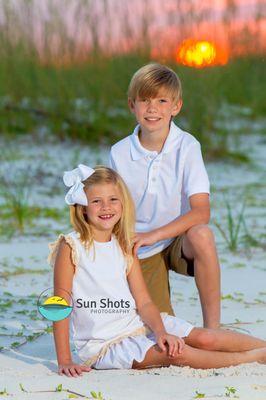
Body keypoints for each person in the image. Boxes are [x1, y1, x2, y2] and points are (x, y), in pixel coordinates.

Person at [49, 164, 266, 377]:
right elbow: (61, 305)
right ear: (83, 207)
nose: (106, 207)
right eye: (96, 201)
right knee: (177, 353)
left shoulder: (125, 245)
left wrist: (161, 332)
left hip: (137, 324)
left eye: (113, 199)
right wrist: (65, 359)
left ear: (123, 203)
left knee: (205, 338)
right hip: (105, 345)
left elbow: (143, 301)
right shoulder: (71, 247)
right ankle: (253, 357)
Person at [109, 63, 220, 329]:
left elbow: (201, 212)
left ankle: (214, 330)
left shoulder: (188, 146)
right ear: (131, 105)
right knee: (159, 329)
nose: (152, 108)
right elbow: (113, 209)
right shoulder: (119, 153)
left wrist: (156, 234)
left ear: (176, 107)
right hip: (139, 246)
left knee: (202, 234)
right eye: (144, 100)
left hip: (177, 239)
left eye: (162, 100)